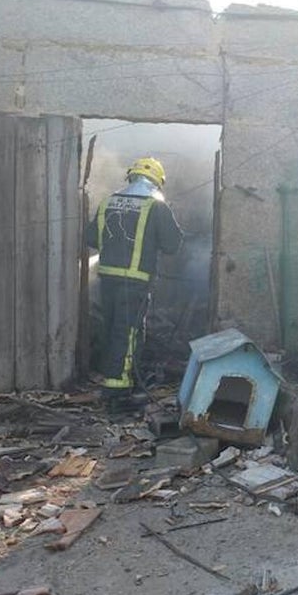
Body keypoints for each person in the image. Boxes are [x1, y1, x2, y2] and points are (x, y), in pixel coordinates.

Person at [85, 157, 182, 410]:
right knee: (127, 331)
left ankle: (112, 375)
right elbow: (173, 245)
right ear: (157, 181)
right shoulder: (156, 205)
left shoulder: (109, 201)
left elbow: (91, 237)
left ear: (131, 176)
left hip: (107, 277)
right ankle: (118, 389)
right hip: (135, 279)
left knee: (111, 327)